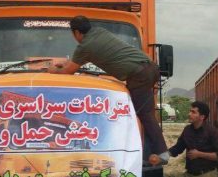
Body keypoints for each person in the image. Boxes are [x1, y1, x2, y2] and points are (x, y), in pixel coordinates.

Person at [52, 15, 169, 165]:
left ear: (76, 33)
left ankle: (160, 154)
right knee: (144, 114)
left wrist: (52, 70)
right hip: (150, 68)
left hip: (139, 74)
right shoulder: (99, 32)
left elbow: (68, 71)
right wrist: (67, 63)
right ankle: (149, 154)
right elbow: (91, 57)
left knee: (142, 115)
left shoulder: (85, 46)